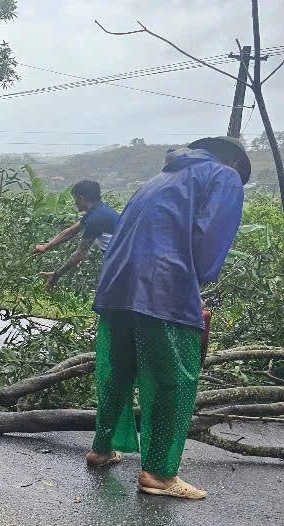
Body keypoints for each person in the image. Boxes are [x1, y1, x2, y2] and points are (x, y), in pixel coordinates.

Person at [85, 136, 250, 499]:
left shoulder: (157, 179)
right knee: (173, 380)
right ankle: (159, 475)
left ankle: (101, 449)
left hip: (115, 286)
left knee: (118, 371)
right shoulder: (225, 176)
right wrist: (199, 279)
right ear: (235, 163)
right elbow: (208, 250)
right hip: (162, 287)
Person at [33, 180, 119, 291]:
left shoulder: (96, 219)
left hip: (123, 262)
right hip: (121, 260)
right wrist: (45, 247)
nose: (75, 203)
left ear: (81, 198)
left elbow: (80, 254)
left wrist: (56, 275)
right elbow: (71, 231)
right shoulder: (99, 211)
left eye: (75, 199)